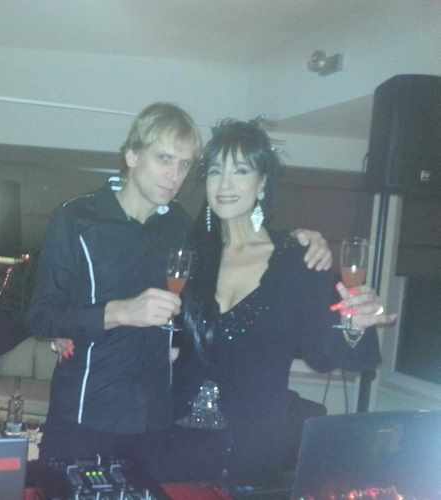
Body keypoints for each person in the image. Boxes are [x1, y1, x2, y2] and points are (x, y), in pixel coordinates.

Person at [27, 103, 333, 467]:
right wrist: (119, 312)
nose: (174, 176)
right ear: (132, 155)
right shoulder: (76, 219)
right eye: (164, 159)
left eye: (185, 165)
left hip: (157, 425)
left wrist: (302, 238)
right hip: (83, 414)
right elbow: (41, 317)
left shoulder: (183, 230)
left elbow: (236, 263)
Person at [160, 118, 397, 486]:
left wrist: (353, 325)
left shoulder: (297, 258)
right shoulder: (190, 255)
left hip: (254, 450)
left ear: (262, 182)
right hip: (177, 443)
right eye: (216, 171)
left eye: (241, 171)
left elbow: (324, 355)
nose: (225, 184)